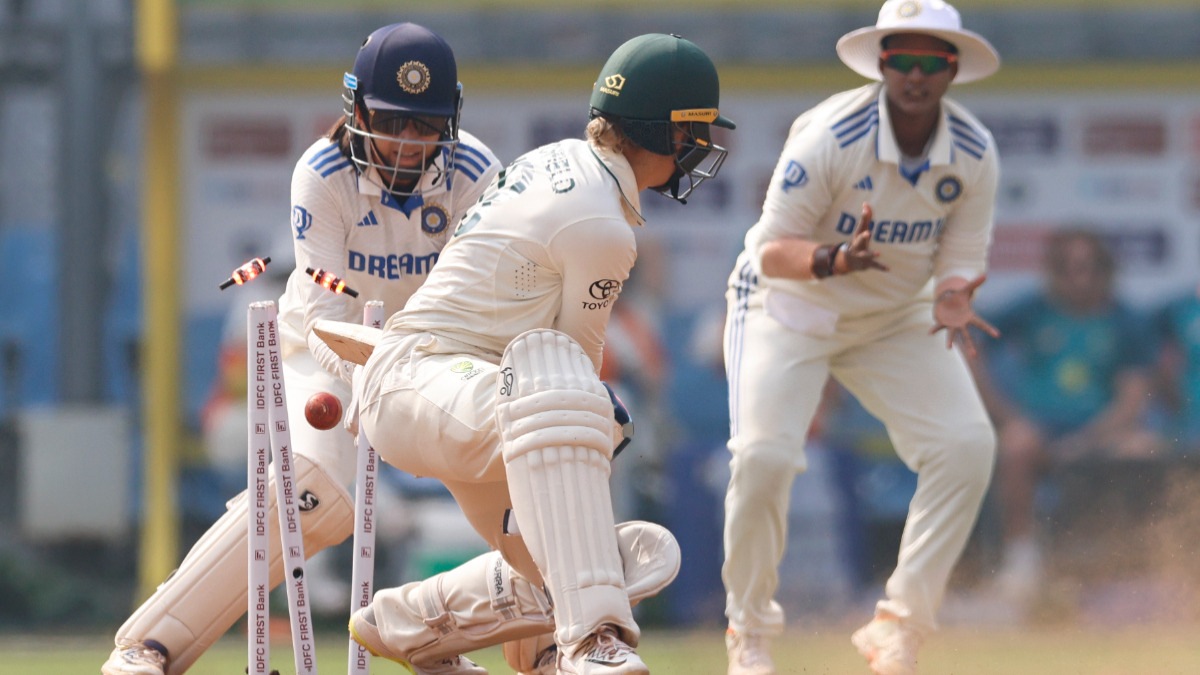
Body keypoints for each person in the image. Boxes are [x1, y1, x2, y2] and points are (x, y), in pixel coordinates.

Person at [102, 22, 501, 675]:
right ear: (358, 109)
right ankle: (150, 644)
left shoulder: (477, 173)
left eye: (424, 125)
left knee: (511, 484)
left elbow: (483, 298)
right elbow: (323, 307)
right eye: (392, 122)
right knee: (309, 489)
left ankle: (534, 648)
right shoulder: (322, 172)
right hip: (325, 349)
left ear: (448, 120)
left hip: (428, 355)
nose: (407, 142)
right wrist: (377, 379)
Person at [340, 33, 734, 675]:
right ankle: (594, 638)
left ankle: (416, 623)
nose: (697, 151)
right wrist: (601, 431)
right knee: (574, 398)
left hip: (472, 396)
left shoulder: (564, 162)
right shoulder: (600, 224)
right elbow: (572, 364)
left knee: (568, 559)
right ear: (663, 133)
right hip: (424, 381)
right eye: (693, 132)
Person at [719, 1, 1002, 673]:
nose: (915, 74)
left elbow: (962, 252)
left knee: (967, 445)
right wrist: (835, 259)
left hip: (892, 314)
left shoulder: (974, 151)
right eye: (902, 58)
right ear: (881, 64)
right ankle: (748, 631)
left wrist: (957, 294)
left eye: (931, 61)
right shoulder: (830, 133)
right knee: (762, 457)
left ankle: (900, 628)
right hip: (788, 306)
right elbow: (770, 250)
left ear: (952, 70)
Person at [973, 228, 1159, 609]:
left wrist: (1088, 441)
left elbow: (1132, 399)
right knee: (1016, 445)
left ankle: (1140, 564)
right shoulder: (1031, 309)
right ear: (1054, 272)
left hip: (1100, 433)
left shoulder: (1127, 320)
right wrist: (1006, 416)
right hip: (1040, 431)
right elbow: (970, 343)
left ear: (1105, 272)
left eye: (1089, 268)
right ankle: (1021, 561)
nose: (1080, 278)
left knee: (1144, 450)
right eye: (1070, 268)